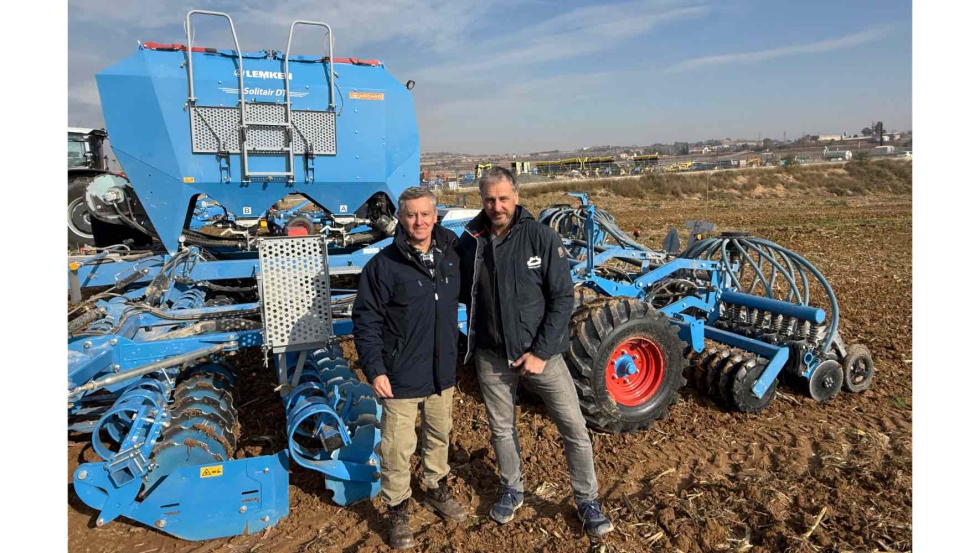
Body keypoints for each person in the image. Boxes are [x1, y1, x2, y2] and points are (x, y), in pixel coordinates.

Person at [458, 166, 614, 538]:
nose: (497, 206)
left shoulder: (541, 237)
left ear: (516, 196)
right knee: (501, 428)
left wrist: (541, 352)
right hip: (492, 356)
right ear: (482, 200)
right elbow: (460, 290)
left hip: (542, 355)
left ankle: (587, 500)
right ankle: (512, 489)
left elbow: (562, 298)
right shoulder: (470, 241)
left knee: (573, 427)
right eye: (490, 199)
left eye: (503, 198)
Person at [352, 186, 468, 549]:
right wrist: (375, 370)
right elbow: (366, 321)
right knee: (397, 448)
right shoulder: (383, 266)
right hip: (400, 374)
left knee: (439, 436)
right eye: (411, 215)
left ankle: (435, 488)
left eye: (425, 214)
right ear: (400, 218)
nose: (419, 221)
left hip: (441, 372)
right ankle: (398, 509)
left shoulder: (452, 256)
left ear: (435, 216)